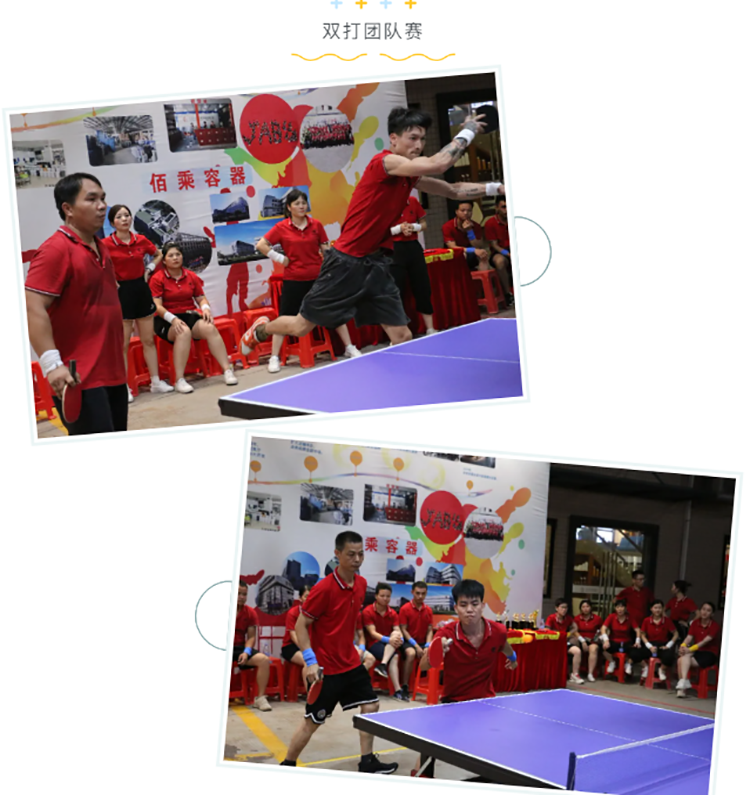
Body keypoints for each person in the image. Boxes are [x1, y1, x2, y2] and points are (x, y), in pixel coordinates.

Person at [241, 107, 503, 354]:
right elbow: (440, 163)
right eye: (412, 138)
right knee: (301, 326)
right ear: (393, 139)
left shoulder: (409, 175)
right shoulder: (385, 163)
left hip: (376, 263)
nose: (418, 145)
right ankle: (261, 330)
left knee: (402, 335)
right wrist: (468, 129)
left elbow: (453, 190)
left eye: (422, 139)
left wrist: (498, 188)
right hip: (345, 262)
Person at [279, 531, 398, 773]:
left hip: (351, 663)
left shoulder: (361, 584)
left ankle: (367, 761)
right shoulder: (323, 589)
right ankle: (287, 765)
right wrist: (310, 660)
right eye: (351, 554)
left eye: (361, 554)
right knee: (312, 721)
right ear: (337, 554)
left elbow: (347, 620)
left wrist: (358, 645)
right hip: (327, 668)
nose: (357, 559)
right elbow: (301, 625)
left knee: (371, 706)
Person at [25, 173, 128, 435]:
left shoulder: (100, 247)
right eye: (91, 199)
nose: (102, 206)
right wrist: (52, 365)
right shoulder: (55, 249)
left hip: (113, 372)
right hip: (79, 377)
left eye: (103, 198)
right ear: (68, 209)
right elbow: (32, 306)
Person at [416, 579, 516, 777]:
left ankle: (490, 781)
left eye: (474, 604)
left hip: (485, 702)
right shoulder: (445, 634)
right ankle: (420, 778)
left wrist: (513, 659)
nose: (469, 610)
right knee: (429, 741)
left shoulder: (497, 631)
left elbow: (504, 645)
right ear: (456, 608)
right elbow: (423, 666)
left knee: (499, 746)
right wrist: (437, 652)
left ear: (483, 606)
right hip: (453, 701)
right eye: (463, 605)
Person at [254, 189, 361, 374]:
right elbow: (261, 245)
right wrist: (280, 259)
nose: (301, 206)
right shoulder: (281, 227)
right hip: (293, 279)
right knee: (285, 317)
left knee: (335, 312)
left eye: (304, 203)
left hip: (318, 279)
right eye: (297, 203)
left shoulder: (316, 225)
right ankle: (274, 357)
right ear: (289, 207)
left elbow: (326, 249)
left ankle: (349, 347)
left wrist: (332, 266)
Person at [100, 204, 173, 402]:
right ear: (112, 222)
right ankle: (123, 387)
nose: (124, 219)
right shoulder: (105, 244)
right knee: (123, 344)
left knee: (148, 340)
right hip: (121, 293)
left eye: (127, 215)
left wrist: (149, 268)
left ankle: (156, 382)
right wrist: (111, 280)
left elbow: (158, 254)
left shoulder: (140, 239)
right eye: (119, 216)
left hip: (141, 289)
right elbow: (99, 264)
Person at [149, 242, 239, 394]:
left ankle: (227, 370)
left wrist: (206, 309)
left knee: (209, 328)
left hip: (188, 314)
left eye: (178, 255)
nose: (175, 258)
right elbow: (157, 306)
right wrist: (173, 319)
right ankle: (179, 380)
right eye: (171, 256)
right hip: (166, 319)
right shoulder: (157, 278)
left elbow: (201, 298)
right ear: (164, 260)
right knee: (183, 332)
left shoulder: (191, 276)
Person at [390, 195, 436, 334]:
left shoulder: (413, 201)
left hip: (413, 247)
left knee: (422, 286)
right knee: (397, 289)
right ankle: (399, 332)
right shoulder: (384, 202)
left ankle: (430, 328)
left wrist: (413, 227)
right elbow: (379, 230)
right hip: (394, 249)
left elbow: (424, 224)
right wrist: (399, 229)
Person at [362, 583, 407, 700]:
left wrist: (400, 639)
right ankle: (397, 690)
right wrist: (389, 640)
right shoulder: (368, 611)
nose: (385, 599)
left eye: (388, 596)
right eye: (382, 596)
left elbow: (397, 630)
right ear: (376, 596)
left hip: (389, 644)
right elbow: (372, 633)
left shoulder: (392, 613)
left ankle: (383, 665)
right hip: (373, 643)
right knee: (394, 655)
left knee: (396, 636)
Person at [234, 580, 273, 712]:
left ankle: (260, 698)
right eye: (238, 593)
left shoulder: (250, 612)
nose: (241, 597)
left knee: (264, 660)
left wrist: (246, 652)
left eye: (244, 594)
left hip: (239, 648)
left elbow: (251, 637)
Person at [676, 602, 721, 698]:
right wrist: (683, 646)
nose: (705, 612)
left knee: (682, 660)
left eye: (708, 610)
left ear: (712, 614)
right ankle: (683, 683)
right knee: (681, 658)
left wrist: (690, 649)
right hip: (697, 651)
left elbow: (705, 641)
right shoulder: (695, 623)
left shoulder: (714, 626)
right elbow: (689, 637)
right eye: (703, 609)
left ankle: (682, 687)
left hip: (710, 653)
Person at [399, 581, 434, 696]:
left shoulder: (428, 610)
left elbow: (430, 630)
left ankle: (429, 685)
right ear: (412, 592)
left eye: (423, 594)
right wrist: (416, 646)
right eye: (417, 593)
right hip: (408, 641)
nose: (420, 596)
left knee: (434, 653)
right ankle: (405, 685)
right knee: (411, 653)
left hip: (423, 642)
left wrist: (428, 645)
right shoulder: (405, 609)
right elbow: (403, 630)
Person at [630, 599, 679, 682]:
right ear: (651, 609)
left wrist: (668, 645)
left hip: (662, 646)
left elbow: (676, 634)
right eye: (655, 608)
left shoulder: (667, 621)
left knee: (670, 657)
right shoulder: (646, 620)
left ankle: (661, 670)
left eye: (659, 608)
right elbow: (642, 634)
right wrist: (649, 646)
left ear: (662, 609)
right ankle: (645, 667)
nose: (657, 610)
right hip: (650, 645)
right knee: (633, 653)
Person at [441, 201, 492, 272]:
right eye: (462, 210)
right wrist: (473, 250)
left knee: (483, 254)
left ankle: (482, 277)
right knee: (462, 255)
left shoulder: (476, 226)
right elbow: (453, 247)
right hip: (453, 253)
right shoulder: (447, 226)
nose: (466, 213)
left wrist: (470, 231)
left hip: (471, 251)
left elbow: (478, 245)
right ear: (456, 212)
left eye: (469, 211)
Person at [482, 195, 514, 307]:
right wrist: (508, 254)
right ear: (497, 208)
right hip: (500, 251)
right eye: (503, 207)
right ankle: (508, 294)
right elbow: (494, 245)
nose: (506, 210)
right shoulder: (490, 223)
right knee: (499, 262)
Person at [546, 598, 584, 684]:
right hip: (554, 644)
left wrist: (568, 634)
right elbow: (547, 630)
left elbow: (575, 627)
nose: (564, 610)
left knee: (577, 651)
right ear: (556, 608)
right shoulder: (551, 618)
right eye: (562, 607)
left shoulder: (568, 618)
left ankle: (574, 674)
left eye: (566, 608)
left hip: (564, 643)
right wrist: (557, 634)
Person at [600, 599, 642, 676]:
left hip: (626, 642)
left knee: (637, 652)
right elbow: (603, 628)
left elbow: (637, 630)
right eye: (618, 607)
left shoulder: (630, 617)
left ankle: (628, 663)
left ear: (625, 608)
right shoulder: (611, 616)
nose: (620, 609)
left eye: (622, 607)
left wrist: (637, 641)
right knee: (602, 648)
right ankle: (612, 662)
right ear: (615, 608)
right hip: (614, 641)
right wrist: (606, 640)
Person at [281, 584, 313, 668]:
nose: (309, 599)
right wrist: (306, 649)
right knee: (309, 661)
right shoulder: (293, 613)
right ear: (300, 598)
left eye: (311, 597)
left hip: (309, 645)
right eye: (306, 596)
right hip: (291, 646)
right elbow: (293, 636)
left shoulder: (315, 613)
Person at [572, 599, 603, 682]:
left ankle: (590, 673)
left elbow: (602, 630)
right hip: (580, 640)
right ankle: (575, 673)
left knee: (593, 649)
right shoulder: (577, 618)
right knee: (575, 648)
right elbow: (574, 631)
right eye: (583, 607)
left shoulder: (597, 619)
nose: (585, 609)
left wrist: (598, 637)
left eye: (587, 606)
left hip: (592, 640)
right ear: (580, 608)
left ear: (591, 607)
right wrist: (582, 641)